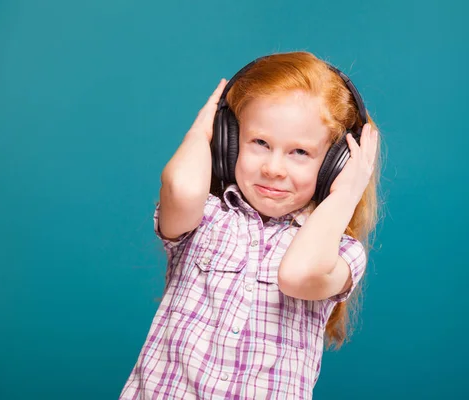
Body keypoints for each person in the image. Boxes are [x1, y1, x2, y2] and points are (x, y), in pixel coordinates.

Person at [120, 51, 381, 399]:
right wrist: (202, 130)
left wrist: (347, 192)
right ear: (229, 141)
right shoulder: (205, 217)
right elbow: (181, 188)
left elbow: (298, 274)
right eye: (260, 143)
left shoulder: (340, 253)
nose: (273, 168)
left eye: (299, 152)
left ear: (335, 164)